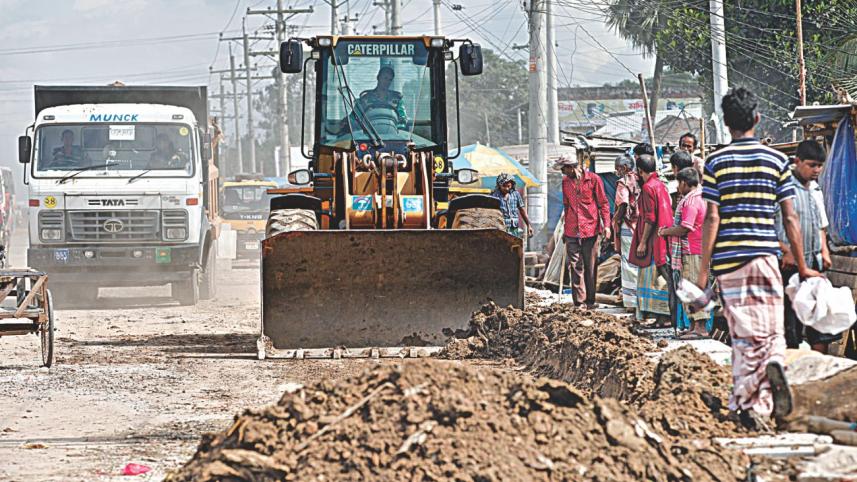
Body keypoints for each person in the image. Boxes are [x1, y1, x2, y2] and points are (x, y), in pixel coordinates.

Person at [697, 87, 820, 426]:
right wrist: (804, 264)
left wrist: (703, 273)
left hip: (729, 262)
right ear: (757, 118)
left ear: (726, 123)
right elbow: (790, 218)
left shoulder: (715, 162)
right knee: (770, 328)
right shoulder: (777, 161)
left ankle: (744, 401)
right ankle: (772, 370)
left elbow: (712, 218)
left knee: (743, 333)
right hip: (765, 256)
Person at [775, 140, 836, 354]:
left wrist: (825, 250)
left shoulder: (815, 189)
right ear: (797, 161)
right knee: (790, 325)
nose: (816, 170)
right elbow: (766, 229)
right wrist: (785, 250)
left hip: (813, 265)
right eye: (812, 165)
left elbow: (820, 225)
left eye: (820, 165)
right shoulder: (784, 189)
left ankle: (819, 372)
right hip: (787, 268)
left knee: (819, 323)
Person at [659, 167, 707, 338]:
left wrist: (665, 232)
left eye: (679, 183)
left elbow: (685, 227)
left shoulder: (691, 201)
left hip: (692, 250)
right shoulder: (700, 197)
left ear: (684, 183)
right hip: (697, 249)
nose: (678, 187)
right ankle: (694, 326)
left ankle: (700, 328)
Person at [557, 156, 611, 308]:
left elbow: (603, 204)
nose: (563, 172)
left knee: (590, 265)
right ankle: (579, 302)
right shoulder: (565, 182)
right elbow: (566, 206)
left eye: (565, 168)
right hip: (572, 230)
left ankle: (590, 301)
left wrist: (606, 226)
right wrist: (564, 229)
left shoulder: (593, 180)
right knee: (575, 265)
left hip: (591, 229)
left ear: (573, 167)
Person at [629, 154, 675, 326]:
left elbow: (650, 218)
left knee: (655, 279)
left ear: (640, 171)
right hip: (664, 236)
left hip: (654, 240)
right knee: (664, 278)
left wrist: (642, 242)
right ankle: (663, 316)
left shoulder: (648, 188)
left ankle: (661, 315)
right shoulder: (661, 185)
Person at [612, 154, 640, 311]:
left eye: (617, 168)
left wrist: (615, 219)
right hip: (641, 227)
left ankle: (631, 302)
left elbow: (622, 204)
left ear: (623, 168)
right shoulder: (640, 179)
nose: (616, 171)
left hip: (628, 227)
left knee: (628, 264)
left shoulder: (623, 183)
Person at [491, 173, 533, 238]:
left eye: (508, 186)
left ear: (512, 185)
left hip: (514, 228)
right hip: (501, 228)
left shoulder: (516, 194)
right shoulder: (494, 196)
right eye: (504, 186)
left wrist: (528, 225)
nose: (507, 188)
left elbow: (522, 210)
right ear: (499, 185)